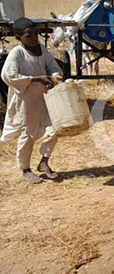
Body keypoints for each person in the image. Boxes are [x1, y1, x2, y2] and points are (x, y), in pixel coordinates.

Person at [1, 18, 63, 184]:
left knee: (55, 128)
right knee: (27, 134)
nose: (34, 38)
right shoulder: (17, 53)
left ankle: (44, 162)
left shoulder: (41, 49)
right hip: (25, 102)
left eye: (36, 34)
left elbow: (52, 65)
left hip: (43, 98)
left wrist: (56, 76)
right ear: (18, 37)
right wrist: (36, 79)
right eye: (29, 35)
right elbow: (9, 75)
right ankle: (25, 169)